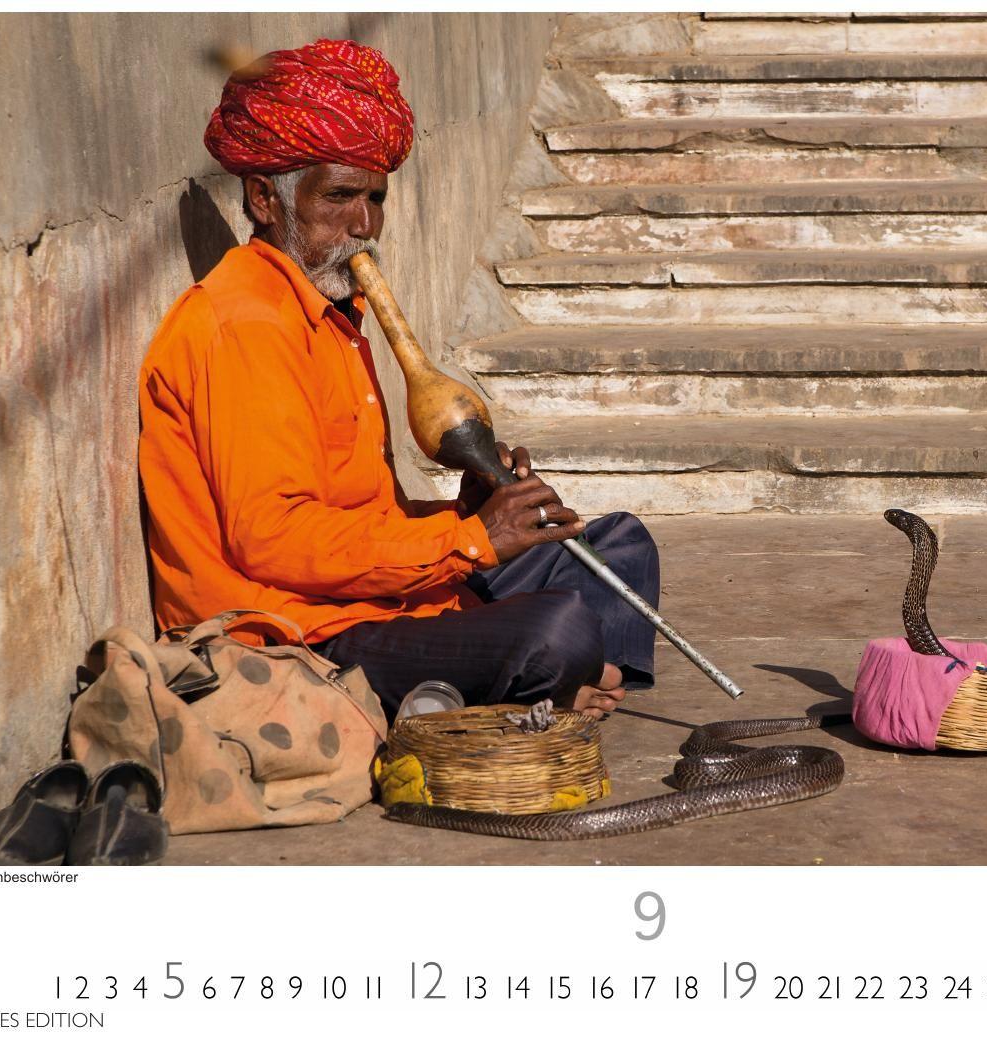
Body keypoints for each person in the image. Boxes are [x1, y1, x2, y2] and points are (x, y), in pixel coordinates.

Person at [138, 38, 657, 720]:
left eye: (376, 198)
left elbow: (362, 521)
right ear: (266, 199)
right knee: (556, 629)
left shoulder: (328, 311)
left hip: (369, 593)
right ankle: (566, 677)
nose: (365, 225)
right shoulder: (244, 325)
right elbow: (276, 541)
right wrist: (470, 542)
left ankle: (571, 678)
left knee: (617, 546)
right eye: (341, 197)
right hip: (302, 634)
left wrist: (470, 513)